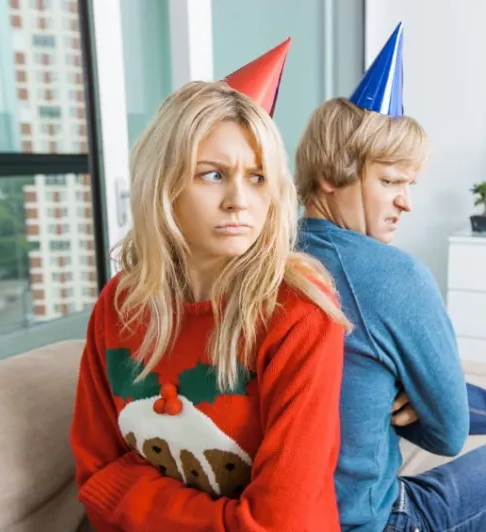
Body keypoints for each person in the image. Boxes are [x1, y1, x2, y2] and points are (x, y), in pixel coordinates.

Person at [295, 23, 486, 531]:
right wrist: (401, 401)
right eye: (391, 181)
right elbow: (450, 434)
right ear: (330, 174)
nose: (408, 201)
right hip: (376, 521)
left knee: (415, 370)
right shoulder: (392, 275)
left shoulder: (274, 251)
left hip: (296, 511)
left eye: (410, 183)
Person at [70, 41, 351, 532]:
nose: (239, 201)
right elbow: (95, 478)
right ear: (165, 186)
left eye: (257, 177)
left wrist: (132, 493)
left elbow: (280, 523)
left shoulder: (300, 314)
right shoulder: (118, 306)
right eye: (214, 175)